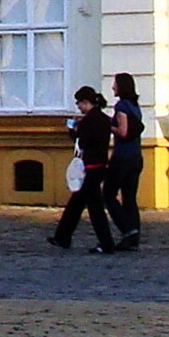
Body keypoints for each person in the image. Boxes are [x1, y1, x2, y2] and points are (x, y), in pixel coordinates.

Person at [47, 82, 119, 253]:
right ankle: (62, 237)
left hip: (90, 167)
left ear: (86, 102)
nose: (78, 107)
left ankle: (105, 243)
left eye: (79, 103)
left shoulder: (88, 121)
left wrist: (72, 130)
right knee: (77, 203)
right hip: (100, 165)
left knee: (93, 208)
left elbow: (81, 143)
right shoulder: (104, 119)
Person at [106, 74, 146, 251]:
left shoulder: (121, 105)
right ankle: (134, 237)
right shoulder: (135, 106)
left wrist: (107, 125)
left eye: (114, 84)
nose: (113, 87)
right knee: (129, 198)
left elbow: (123, 131)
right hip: (136, 156)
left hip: (122, 157)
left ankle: (127, 230)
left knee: (107, 195)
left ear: (121, 86)